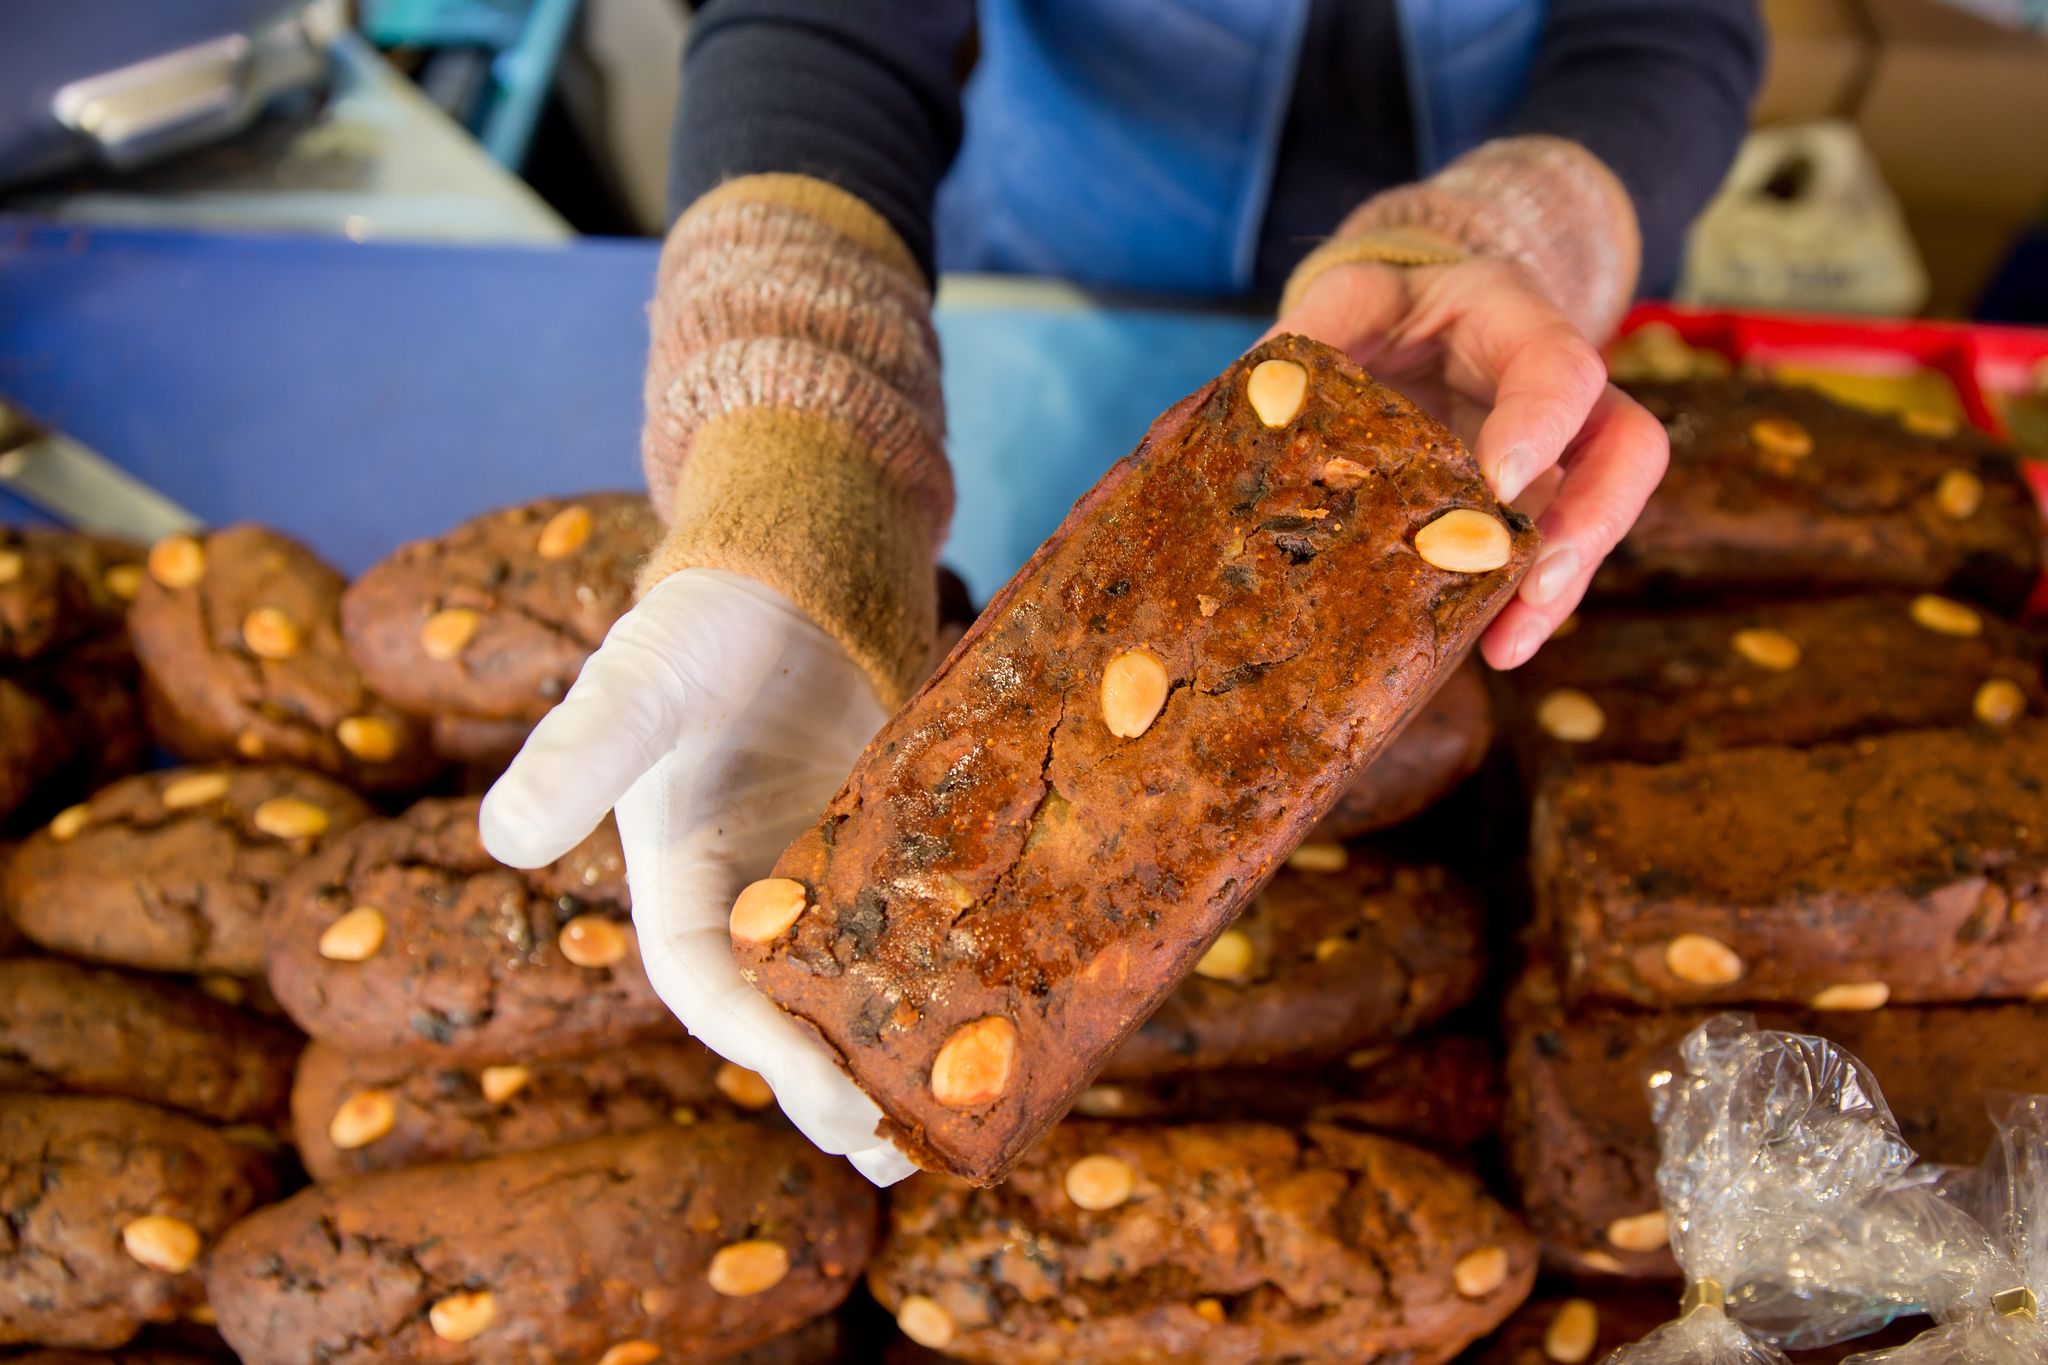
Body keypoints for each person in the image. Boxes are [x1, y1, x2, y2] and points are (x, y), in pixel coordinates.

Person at [482, 0, 1765, 1182]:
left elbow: (1670, 27)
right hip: (1056, 258)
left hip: (1507, 338)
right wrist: (802, 454)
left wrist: (1515, 234)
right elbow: (824, 22)